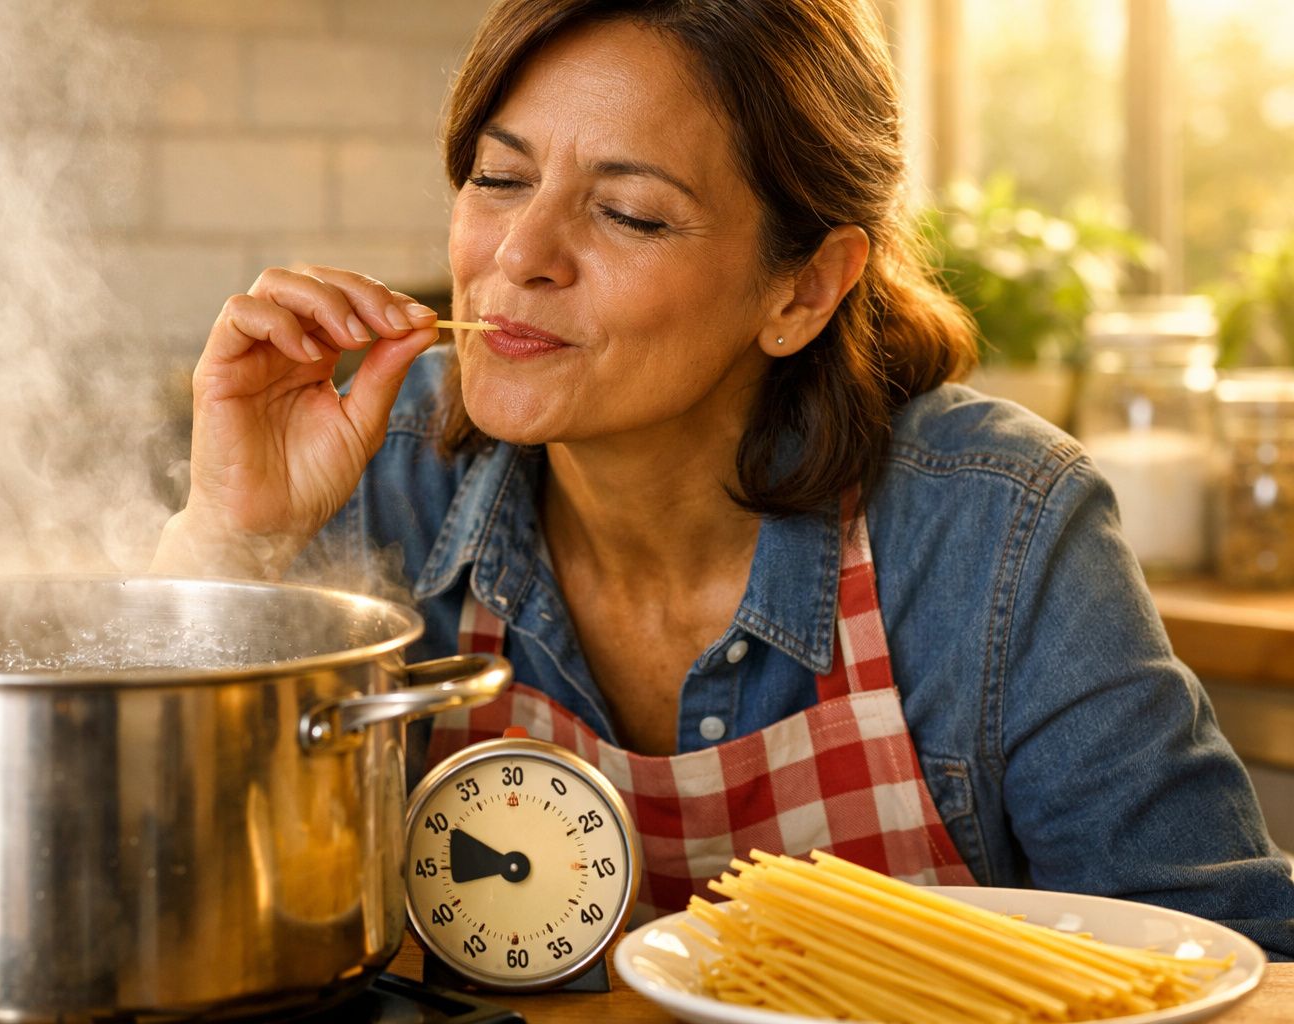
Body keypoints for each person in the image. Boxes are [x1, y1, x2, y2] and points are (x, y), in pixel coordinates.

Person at [152, 0, 1294, 957]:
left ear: (802, 289)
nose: (519, 255)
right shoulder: (382, 472)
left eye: (629, 212)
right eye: (501, 178)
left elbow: (1227, 968)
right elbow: (154, 899)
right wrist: (227, 540)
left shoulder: (997, 527)